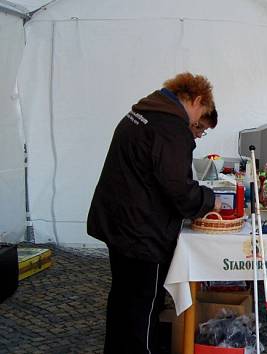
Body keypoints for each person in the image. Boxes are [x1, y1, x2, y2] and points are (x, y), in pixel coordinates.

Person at [87, 72, 221, 353]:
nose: (195, 127)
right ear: (197, 100)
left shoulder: (143, 112)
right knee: (144, 305)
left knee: (123, 298)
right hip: (142, 231)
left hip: (119, 222)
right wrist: (210, 200)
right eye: (200, 120)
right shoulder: (170, 127)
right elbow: (178, 189)